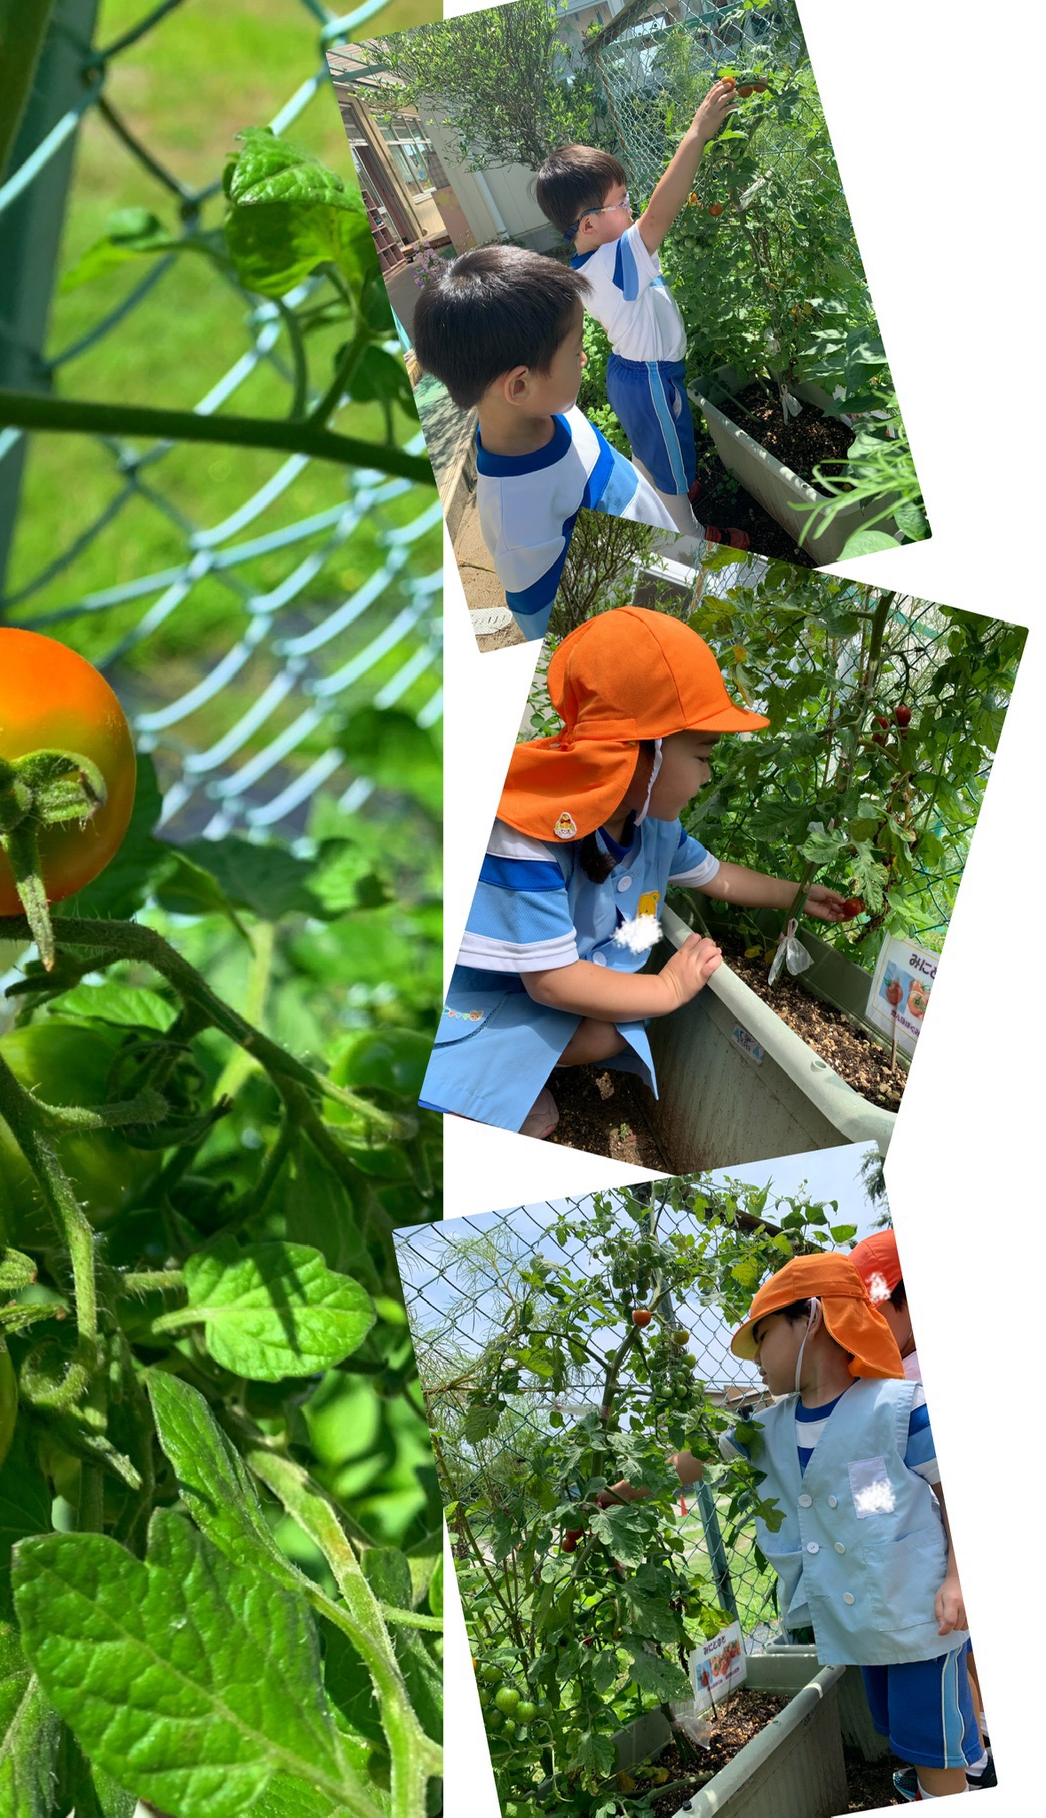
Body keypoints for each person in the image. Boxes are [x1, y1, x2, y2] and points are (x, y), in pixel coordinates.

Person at [422, 606, 855, 1138]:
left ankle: (517, 1073)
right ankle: (477, 1086)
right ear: (639, 751)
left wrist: (798, 895)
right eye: (701, 754)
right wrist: (669, 988)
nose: (707, 772)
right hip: (479, 994)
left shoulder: (652, 828)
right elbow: (551, 984)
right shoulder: (528, 834)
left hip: (549, 987)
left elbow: (719, 877)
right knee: (606, 1020)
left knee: (612, 1031)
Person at [607, 1253, 978, 1799]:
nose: (755, 1357)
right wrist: (614, 1494)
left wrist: (958, 1578)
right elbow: (688, 1463)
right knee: (905, 1734)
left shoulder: (898, 1407)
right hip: (867, 1626)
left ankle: (946, 1792)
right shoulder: (766, 1428)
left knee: (936, 1747)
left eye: (761, 1335)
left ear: (813, 1317)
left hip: (923, 1618)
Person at [410, 244, 678, 639]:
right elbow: (558, 634)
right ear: (520, 385)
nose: (584, 358)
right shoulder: (519, 522)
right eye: (574, 352)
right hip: (650, 621)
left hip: (668, 562)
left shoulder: (552, 408)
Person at [535, 79, 746, 543]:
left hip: (640, 374)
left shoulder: (596, 261)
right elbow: (659, 214)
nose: (632, 209)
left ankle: (657, 493)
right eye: (622, 202)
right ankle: (689, 535)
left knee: (657, 452)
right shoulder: (614, 261)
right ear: (589, 223)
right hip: (649, 379)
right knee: (667, 460)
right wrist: (697, 133)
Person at [851, 1231, 996, 1794]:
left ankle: (971, 1764)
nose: (869, 1322)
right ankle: (974, 1755)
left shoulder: (904, 1379)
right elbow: (873, 1499)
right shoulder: (884, 1373)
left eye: (878, 1306)